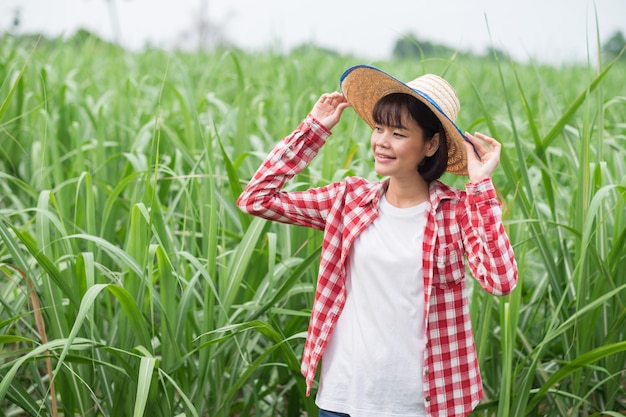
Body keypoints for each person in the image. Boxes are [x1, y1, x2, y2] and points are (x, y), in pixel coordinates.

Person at [237, 64, 518, 417]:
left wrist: (479, 187)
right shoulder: (347, 200)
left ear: (431, 144)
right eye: (379, 128)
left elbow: (501, 281)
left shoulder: (456, 212)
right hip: (343, 397)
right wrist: (313, 132)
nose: (382, 141)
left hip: (420, 403)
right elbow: (256, 198)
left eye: (399, 133)